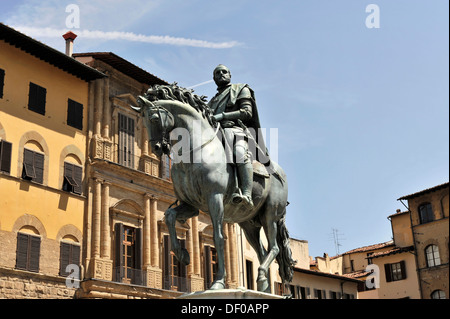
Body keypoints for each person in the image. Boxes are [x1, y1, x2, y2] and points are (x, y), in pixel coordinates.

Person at [208, 64, 264, 208]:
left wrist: (223, 116)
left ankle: (246, 193)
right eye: (217, 73)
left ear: (230, 75)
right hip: (216, 134)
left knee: (239, 152)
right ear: (213, 78)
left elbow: (247, 112)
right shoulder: (212, 102)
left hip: (236, 130)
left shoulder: (241, 89)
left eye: (224, 72)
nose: (221, 74)